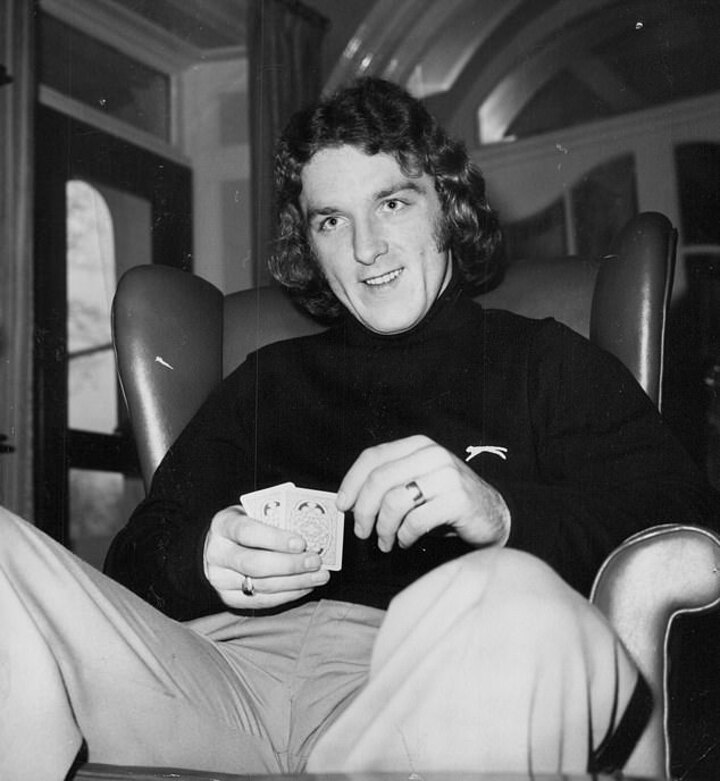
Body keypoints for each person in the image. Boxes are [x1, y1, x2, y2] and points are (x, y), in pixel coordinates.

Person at [1, 77, 718, 780]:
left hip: (411, 688)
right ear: (310, 243)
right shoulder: (265, 379)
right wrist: (205, 558)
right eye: (331, 221)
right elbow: (133, 560)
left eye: (393, 203)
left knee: (514, 592)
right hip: (218, 681)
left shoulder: (544, 360)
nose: (366, 247)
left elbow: (683, 523)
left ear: (448, 207)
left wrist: (502, 514)